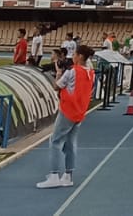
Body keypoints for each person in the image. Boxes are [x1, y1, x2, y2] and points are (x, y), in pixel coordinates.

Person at [38, 43, 98, 188]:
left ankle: (54, 175)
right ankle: (68, 175)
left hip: (68, 110)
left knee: (55, 142)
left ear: (80, 56)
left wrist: (58, 73)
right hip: (80, 112)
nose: (73, 57)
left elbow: (56, 86)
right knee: (70, 143)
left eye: (75, 54)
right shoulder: (91, 73)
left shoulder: (72, 71)